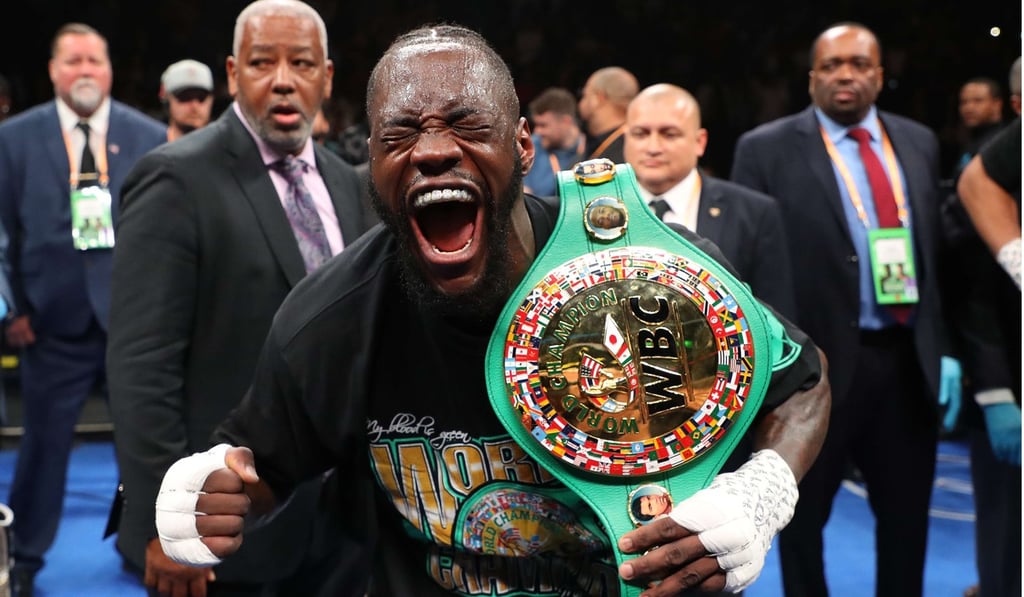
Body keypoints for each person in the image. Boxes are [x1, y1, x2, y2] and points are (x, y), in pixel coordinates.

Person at [153, 24, 830, 597]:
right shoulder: (331, 318)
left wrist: (760, 493)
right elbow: (264, 465)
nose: (434, 149)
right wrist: (217, 491)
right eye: (400, 134)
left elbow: (802, 383)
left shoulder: (642, 265)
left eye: (468, 124)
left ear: (523, 146)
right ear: (373, 170)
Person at [106, 2, 375, 596]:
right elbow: (140, 367)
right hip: (222, 529)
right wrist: (167, 521)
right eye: (262, 62)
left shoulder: (352, 185)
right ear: (232, 75)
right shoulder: (175, 178)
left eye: (301, 62)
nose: (282, 78)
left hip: (345, 532)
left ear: (326, 78)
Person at [730, 22, 957, 597]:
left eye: (859, 64)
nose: (846, 75)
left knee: (907, 526)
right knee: (803, 528)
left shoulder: (920, 141)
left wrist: (945, 349)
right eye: (832, 65)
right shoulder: (764, 148)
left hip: (908, 364)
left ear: (880, 75)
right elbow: (750, 269)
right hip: (815, 373)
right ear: (812, 78)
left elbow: (932, 255)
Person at [0, 22, 165, 596]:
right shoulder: (14, 138)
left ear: (110, 68)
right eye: (73, 60)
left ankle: (150, 546)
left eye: (95, 59)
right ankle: (20, 558)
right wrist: (8, 309)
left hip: (137, 325)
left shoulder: (149, 135)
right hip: (49, 325)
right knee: (42, 450)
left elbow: (170, 234)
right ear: (52, 70)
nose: (86, 70)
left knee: (148, 446)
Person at [624, 83, 795, 317]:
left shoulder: (755, 214)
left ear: (699, 142)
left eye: (669, 134)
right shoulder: (596, 211)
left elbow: (777, 321)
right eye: (641, 134)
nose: (653, 147)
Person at [954, 56, 1021, 597]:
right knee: (1005, 528)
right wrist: (997, 391)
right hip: (1011, 380)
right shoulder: (993, 172)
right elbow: (976, 294)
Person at [522, 87, 584, 196]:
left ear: (565, 122)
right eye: (536, 125)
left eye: (543, 125)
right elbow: (524, 194)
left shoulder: (591, 148)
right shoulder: (531, 147)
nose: (537, 131)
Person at [578, 66, 638, 164]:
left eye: (585, 96)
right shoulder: (632, 141)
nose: (581, 104)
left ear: (598, 99)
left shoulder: (626, 149)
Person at [952, 77, 1005, 177]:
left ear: (996, 104)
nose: (969, 108)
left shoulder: (1005, 142)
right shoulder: (970, 141)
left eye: (978, 101)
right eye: (964, 102)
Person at [160, 58, 215, 142]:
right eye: (185, 97)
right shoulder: (147, 147)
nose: (194, 106)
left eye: (201, 98)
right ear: (167, 100)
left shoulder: (226, 150)